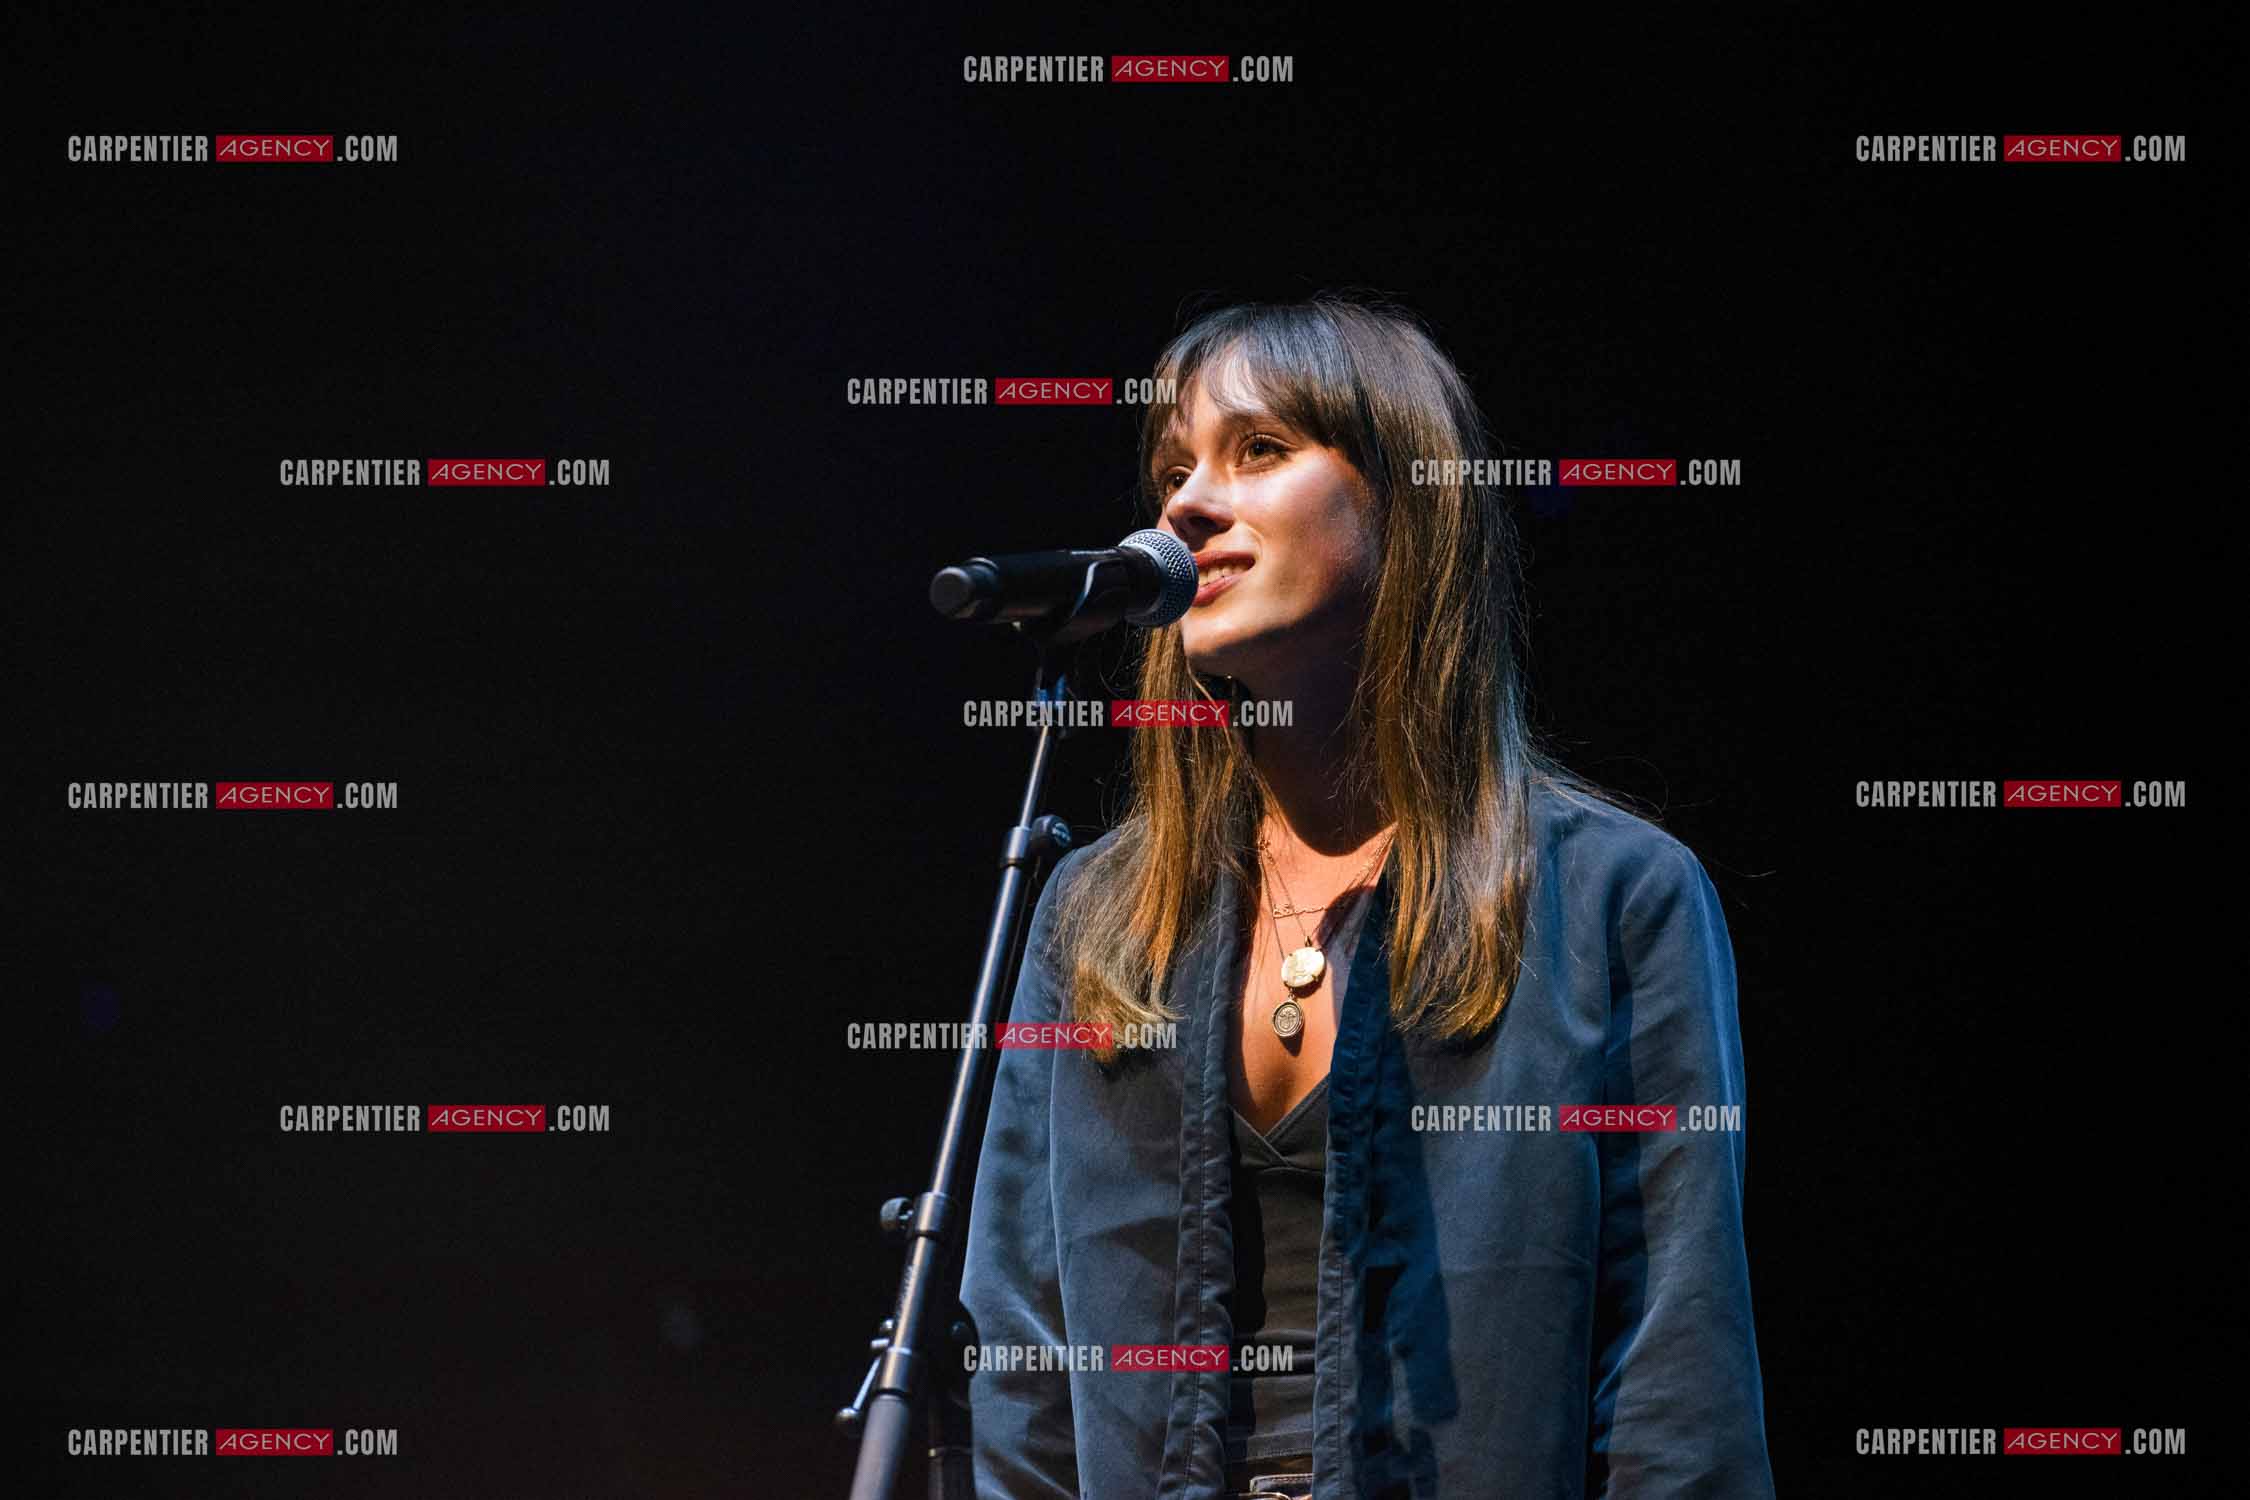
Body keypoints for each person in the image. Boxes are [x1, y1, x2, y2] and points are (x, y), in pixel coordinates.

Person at [959, 293, 1774, 1498]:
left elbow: (1675, 1378)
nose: (1185, 506)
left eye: (1262, 450)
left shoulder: (1612, 898)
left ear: (1406, 503)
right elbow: (1018, 1361)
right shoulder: (1096, 912)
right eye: (1173, 470)